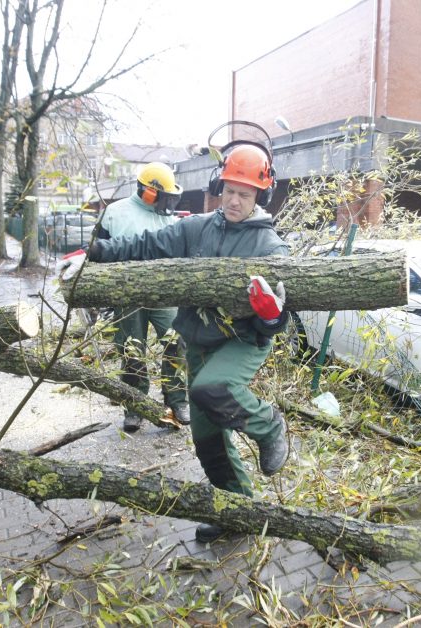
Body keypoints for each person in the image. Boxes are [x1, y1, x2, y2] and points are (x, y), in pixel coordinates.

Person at [81, 143, 291, 544]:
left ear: (258, 196)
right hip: (200, 340)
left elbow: (281, 320)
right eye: (229, 190)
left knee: (212, 388)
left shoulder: (271, 248)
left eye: (244, 194)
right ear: (219, 185)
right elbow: (147, 245)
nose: (233, 200)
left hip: (242, 341)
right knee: (207, 441)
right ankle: (238, 515)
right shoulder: (196, 227)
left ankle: (268, 425)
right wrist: (101, 250)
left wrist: (271, 313)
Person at [96, 162, 191, 432]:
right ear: (148, 192)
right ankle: (135, 405)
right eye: (164, 196)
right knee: (131, 349)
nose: (168, 202)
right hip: (127, 295)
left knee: (176, 341)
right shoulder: (114, 213)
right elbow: (98, 252)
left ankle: (177, 399)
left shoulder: (169, 219)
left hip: (164, 293)